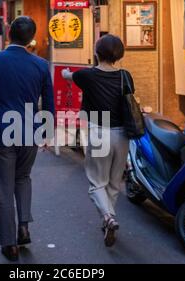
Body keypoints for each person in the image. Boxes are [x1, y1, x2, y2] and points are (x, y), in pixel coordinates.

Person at [0, 16, 54, 261]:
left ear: (8, 33)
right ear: (31, 37)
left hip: (0, 130)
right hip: (30, 130)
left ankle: (9, 244)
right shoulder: (40, 65)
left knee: (4, 186)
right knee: (23, 177)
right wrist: (48, 132)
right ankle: (24, 225)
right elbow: (48, 101)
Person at [62, 34, 135, 248]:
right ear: (119, 54)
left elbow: (68, 75)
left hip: (99, 132)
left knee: (96, 184)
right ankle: (108, 220)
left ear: (97, 52)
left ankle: (108, 218)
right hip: (122, 135)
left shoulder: (87, 75)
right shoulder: (126, 76)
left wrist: (67, 71)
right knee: (114, 183)